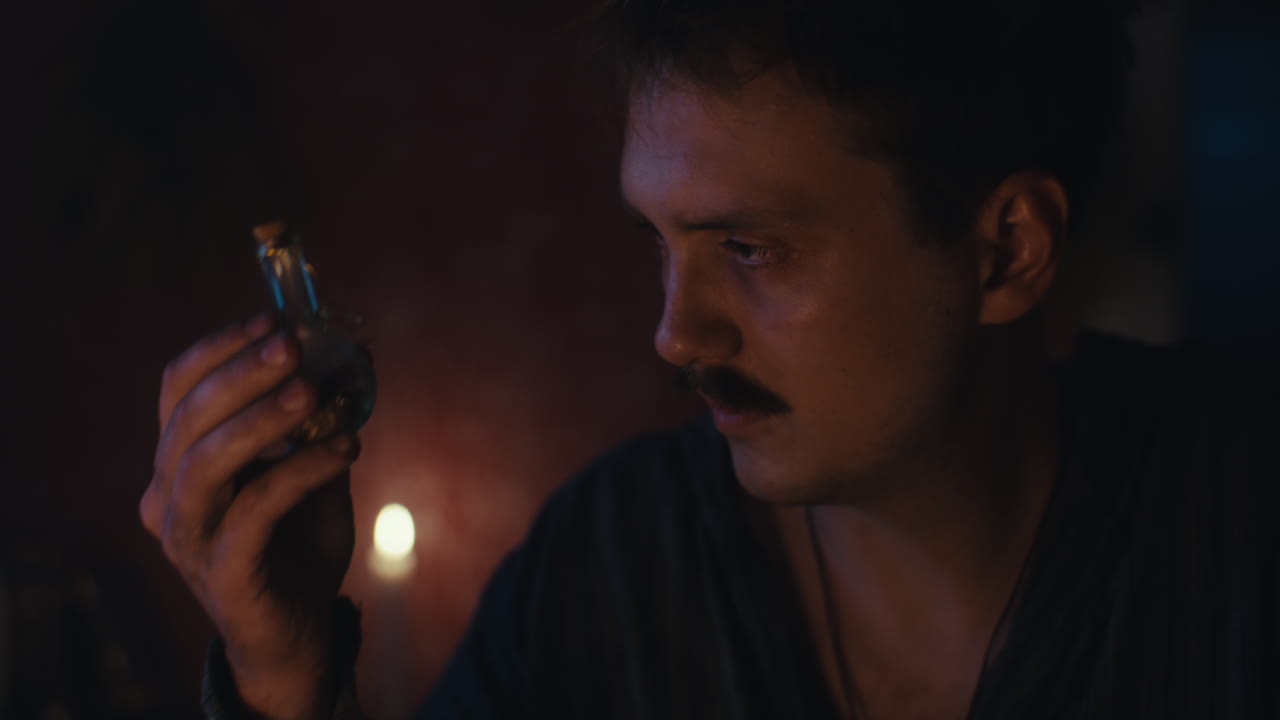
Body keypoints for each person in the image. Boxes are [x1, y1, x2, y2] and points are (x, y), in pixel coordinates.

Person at [139, 0, 1280, 718]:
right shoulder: (609, 566)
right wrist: (285, 678)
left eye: (752, 248)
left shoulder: (1236, 527)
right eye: (661, 244)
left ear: (1004, 250)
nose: (677, 336)